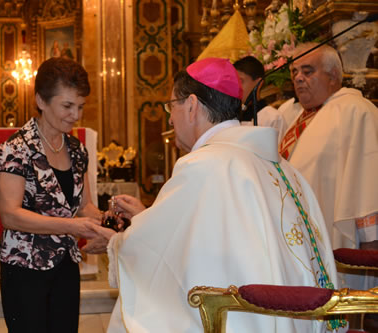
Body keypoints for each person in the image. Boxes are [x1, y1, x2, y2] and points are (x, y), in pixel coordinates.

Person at [84, 58, 341, 332]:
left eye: (172, 106)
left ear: (192, 105)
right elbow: (219, 236)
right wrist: (148, 218)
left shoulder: (204, 165)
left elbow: (171, 257)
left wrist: (117, 242)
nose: (170, 118)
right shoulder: (283, 168)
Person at [0, 57, 105, 333]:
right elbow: (10, 216)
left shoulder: (78, 150)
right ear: (41, 101)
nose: (75, 115)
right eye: (67, 106)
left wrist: (111, 219)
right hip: (24, 268)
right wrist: (71, 226)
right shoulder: (14, 150)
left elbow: (83, 207)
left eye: (80, 106)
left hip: (65, 266)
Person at [278, 43, 378, 253]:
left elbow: (368, 177)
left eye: (307, 71)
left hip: (338, 240)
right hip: (299, 234)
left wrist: (371, 238)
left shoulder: (356, 111)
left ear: (333, 76)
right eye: (294, 72)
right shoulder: (300, 116)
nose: (297, 78)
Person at [233, 55, 286, 142]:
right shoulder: (232, 118)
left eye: (241, 81)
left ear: (259, 83)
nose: (237, 87)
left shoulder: (273, 118)